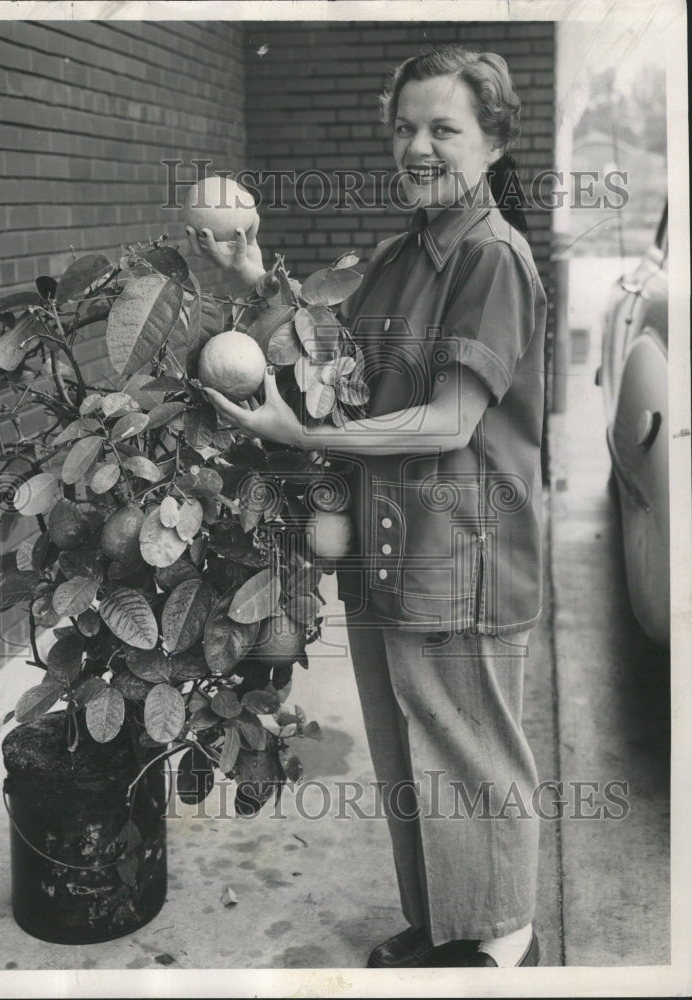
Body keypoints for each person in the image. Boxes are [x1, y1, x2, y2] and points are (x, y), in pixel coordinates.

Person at [187, 44, 547, 969]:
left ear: (495, 140)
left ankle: (501, 946)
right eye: (404, 127)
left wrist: (307, 441)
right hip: (389, 547)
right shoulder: (397, 256)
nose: (416, 146)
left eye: (443, 128)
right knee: (406, 750)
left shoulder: (490, 257)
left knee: (468, 755)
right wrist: (250, 272)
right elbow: (320, 356)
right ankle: (444, 924)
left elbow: (447, 420)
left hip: (462, 551)